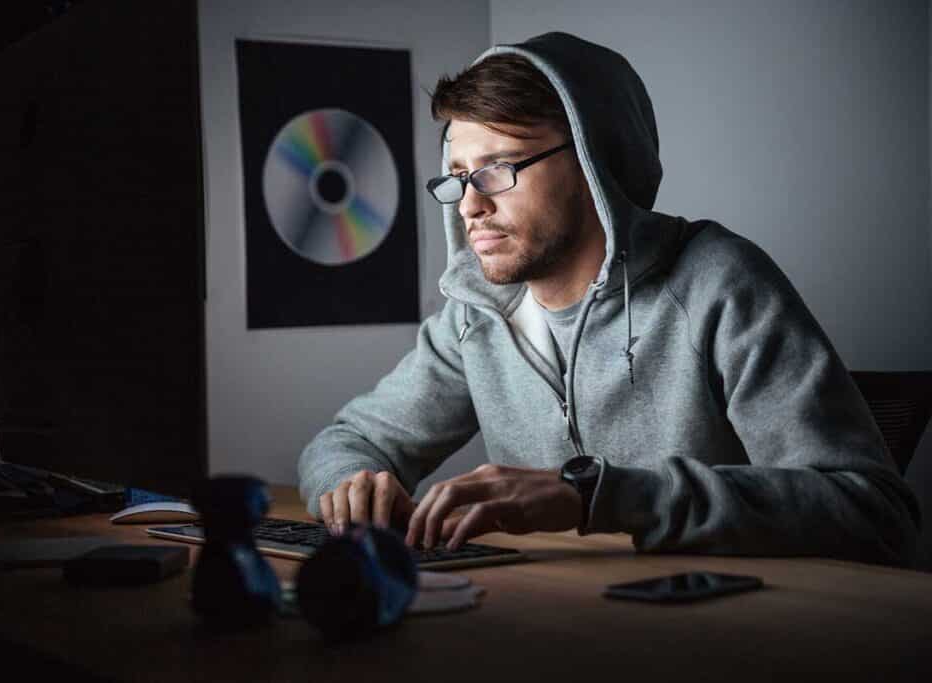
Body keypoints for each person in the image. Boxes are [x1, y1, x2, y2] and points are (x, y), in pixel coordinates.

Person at [298, 32, 920, 566]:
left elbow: (874, 513)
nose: (470, 205)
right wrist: (352, 485)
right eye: (458, 177)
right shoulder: (477, 311)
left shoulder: (717, 282)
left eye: (497, 169)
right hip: (571, 623)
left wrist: (601, 496)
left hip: (732, 632)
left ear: (595, 161)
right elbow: (345, 441)